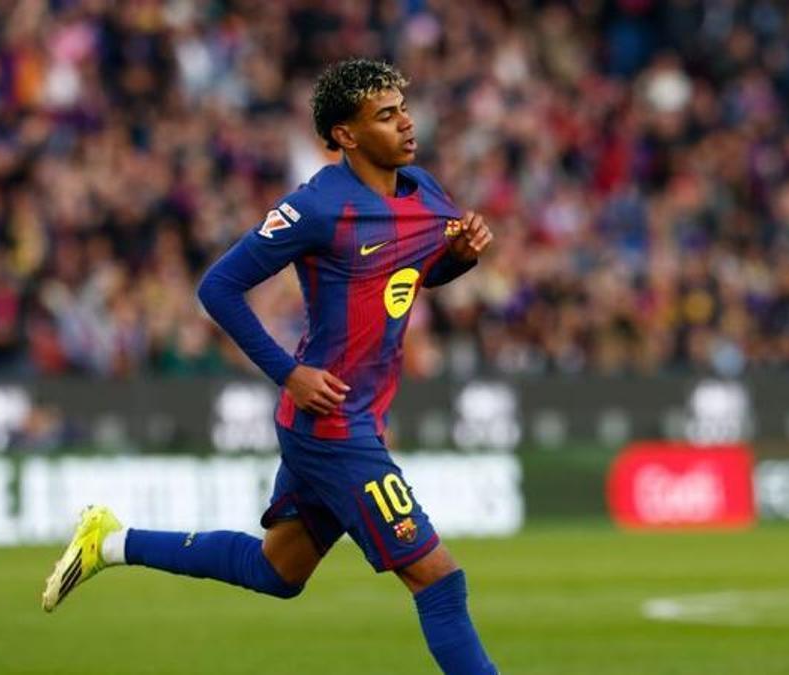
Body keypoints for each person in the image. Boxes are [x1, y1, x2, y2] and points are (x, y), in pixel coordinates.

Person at [42, 59, 498, 673]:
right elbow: (217, 287)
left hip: (357, 417)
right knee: (438, 580)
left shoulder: (423, 189)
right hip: (333, 425)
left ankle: (111, 541)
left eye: (403, 109)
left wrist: (460, 257)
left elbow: (414, 275)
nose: (406, 123)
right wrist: (288, 372)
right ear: (345, 135)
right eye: (386, 115)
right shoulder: (317, 207)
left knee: (276, 571)